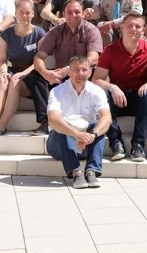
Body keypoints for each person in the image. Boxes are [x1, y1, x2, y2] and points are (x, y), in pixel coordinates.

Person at [31, 0, 104, 134]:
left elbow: (93, 58)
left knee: (96, 74)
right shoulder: (55, 31)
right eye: (69, 12)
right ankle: (46, 121)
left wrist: (69, 69)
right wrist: (45, 73)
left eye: (77, 12)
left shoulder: (91, 30)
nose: (73, 15)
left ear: (83, 13)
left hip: (83, 75)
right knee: (35, 76)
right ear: (63, 14)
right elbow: (39, 57)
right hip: (60, 78)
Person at [92, 13, 147, 162]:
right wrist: (112, 87)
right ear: (121, 27)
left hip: (139, 100)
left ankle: (138, 145)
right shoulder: (110, 50)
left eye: (138, 26)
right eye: (129, 25)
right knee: (101, 94)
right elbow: (96, 79)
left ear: (143, 30)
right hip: (117, 99)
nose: (133, 29)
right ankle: (116, 142)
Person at [45, 55, 111, 189]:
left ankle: (91, 171)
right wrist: (77, 134)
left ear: (90, 72)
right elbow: (53, 119)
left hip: (85, 144)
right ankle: (76, 172)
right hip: (59, 145)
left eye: (84, 70)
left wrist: (92, 135)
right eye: (76, 69)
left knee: (98, 126)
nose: (80, 73)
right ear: (69, 72)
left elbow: (106, 117)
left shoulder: (97, 91)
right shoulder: (57, 91)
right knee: (61, 126)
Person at [0, 0, 46, 136]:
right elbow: (2, 60)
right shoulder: (6, 34)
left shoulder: (39, 33)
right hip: (14, 69)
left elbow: (40, 60)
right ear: (16, 14)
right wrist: (3, 71)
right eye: (21, 12)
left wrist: (23, 73)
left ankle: (2, 124)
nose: (24, 16)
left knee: (14, 81)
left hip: (32, 73)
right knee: (2, 82)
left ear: (32, 14)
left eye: (27, 12)